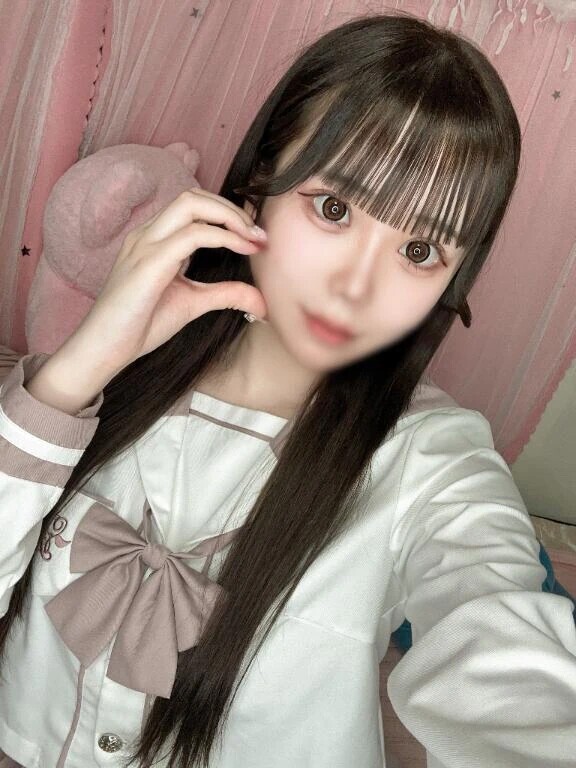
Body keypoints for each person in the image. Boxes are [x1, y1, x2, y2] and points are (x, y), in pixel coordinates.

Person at [0, 11, 575, 768]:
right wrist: (79, 367)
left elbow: (506, 649)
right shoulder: (105, 376)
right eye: (335, 209)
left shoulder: (432, 460)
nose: (357, 286)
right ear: (257, 187)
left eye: (419, 249)